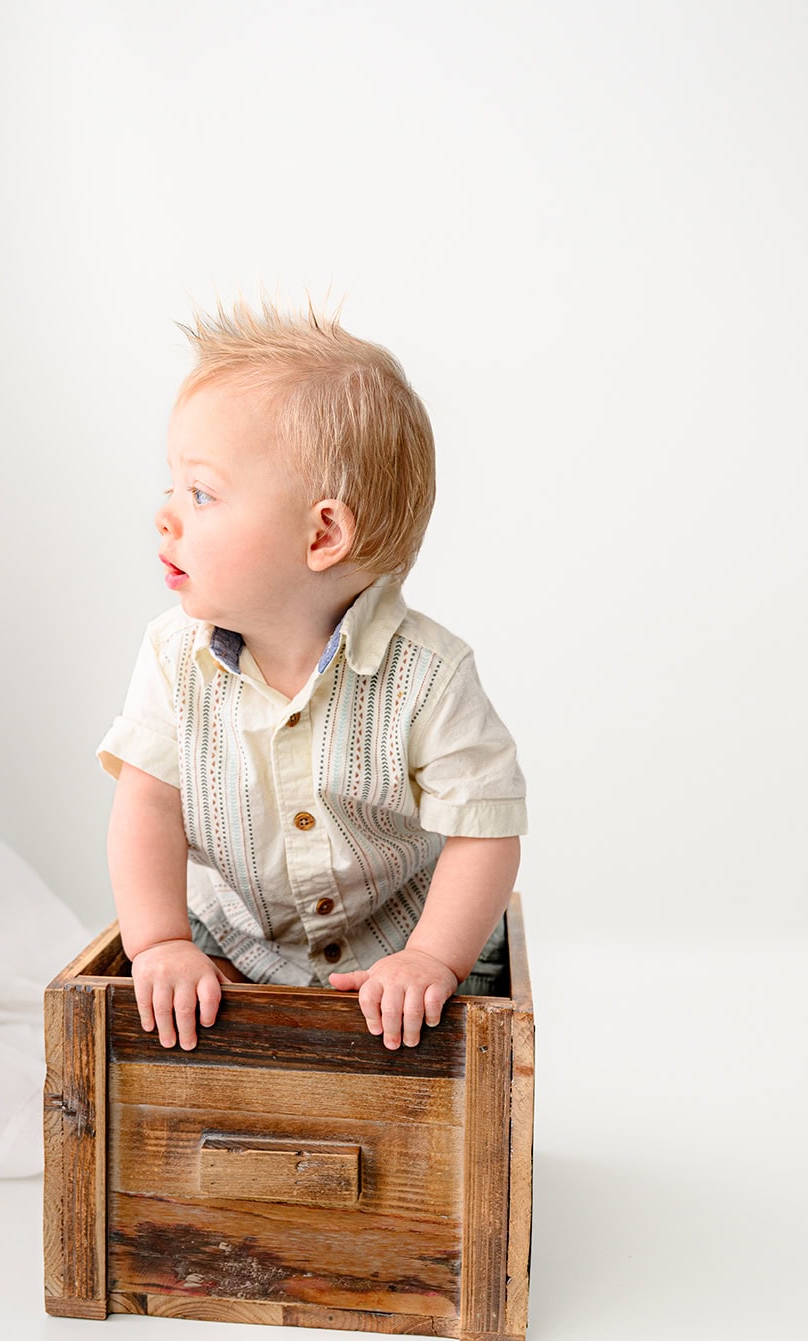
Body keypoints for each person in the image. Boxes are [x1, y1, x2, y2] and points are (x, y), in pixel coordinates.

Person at [97, 295, 527, 1057]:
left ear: (322, 532)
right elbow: (148, 808)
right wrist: (160, 942)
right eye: (172, 486)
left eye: (200, 493)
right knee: (187, 1004)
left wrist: (432, 958)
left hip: (396, 945)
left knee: (432, 1017)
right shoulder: (172, 657)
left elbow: (481, 832)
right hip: (234, 941)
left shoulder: (428, 676)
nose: (165, 516)